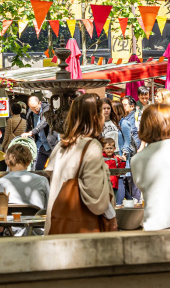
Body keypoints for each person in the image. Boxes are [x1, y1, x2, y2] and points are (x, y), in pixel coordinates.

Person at [44, 93, 115, 234]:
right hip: (82, 231)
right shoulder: (91, 145)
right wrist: (111, 213)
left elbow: (50, 173)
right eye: (102, 114)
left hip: (58, 225)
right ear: (95, 118)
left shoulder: (61, 145)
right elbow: (95, 198)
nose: (103, 119)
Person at [0, 145, 49, 210]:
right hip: (36, 219)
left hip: (7, 219)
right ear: (29, 162)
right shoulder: (42, 181)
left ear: (7, 162)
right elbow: (48, 208)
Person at [21, 96, 57, 170]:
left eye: (36, 108)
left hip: (50, 144)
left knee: (53, 169)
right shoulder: (30, 112)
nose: (35, 111)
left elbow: (44, 122)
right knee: (37, 169)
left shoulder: (47, 109)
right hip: (39, 145)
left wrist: (32, 132)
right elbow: (28, 126)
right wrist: (25, 134)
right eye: (32, 108)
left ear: (40, 103)